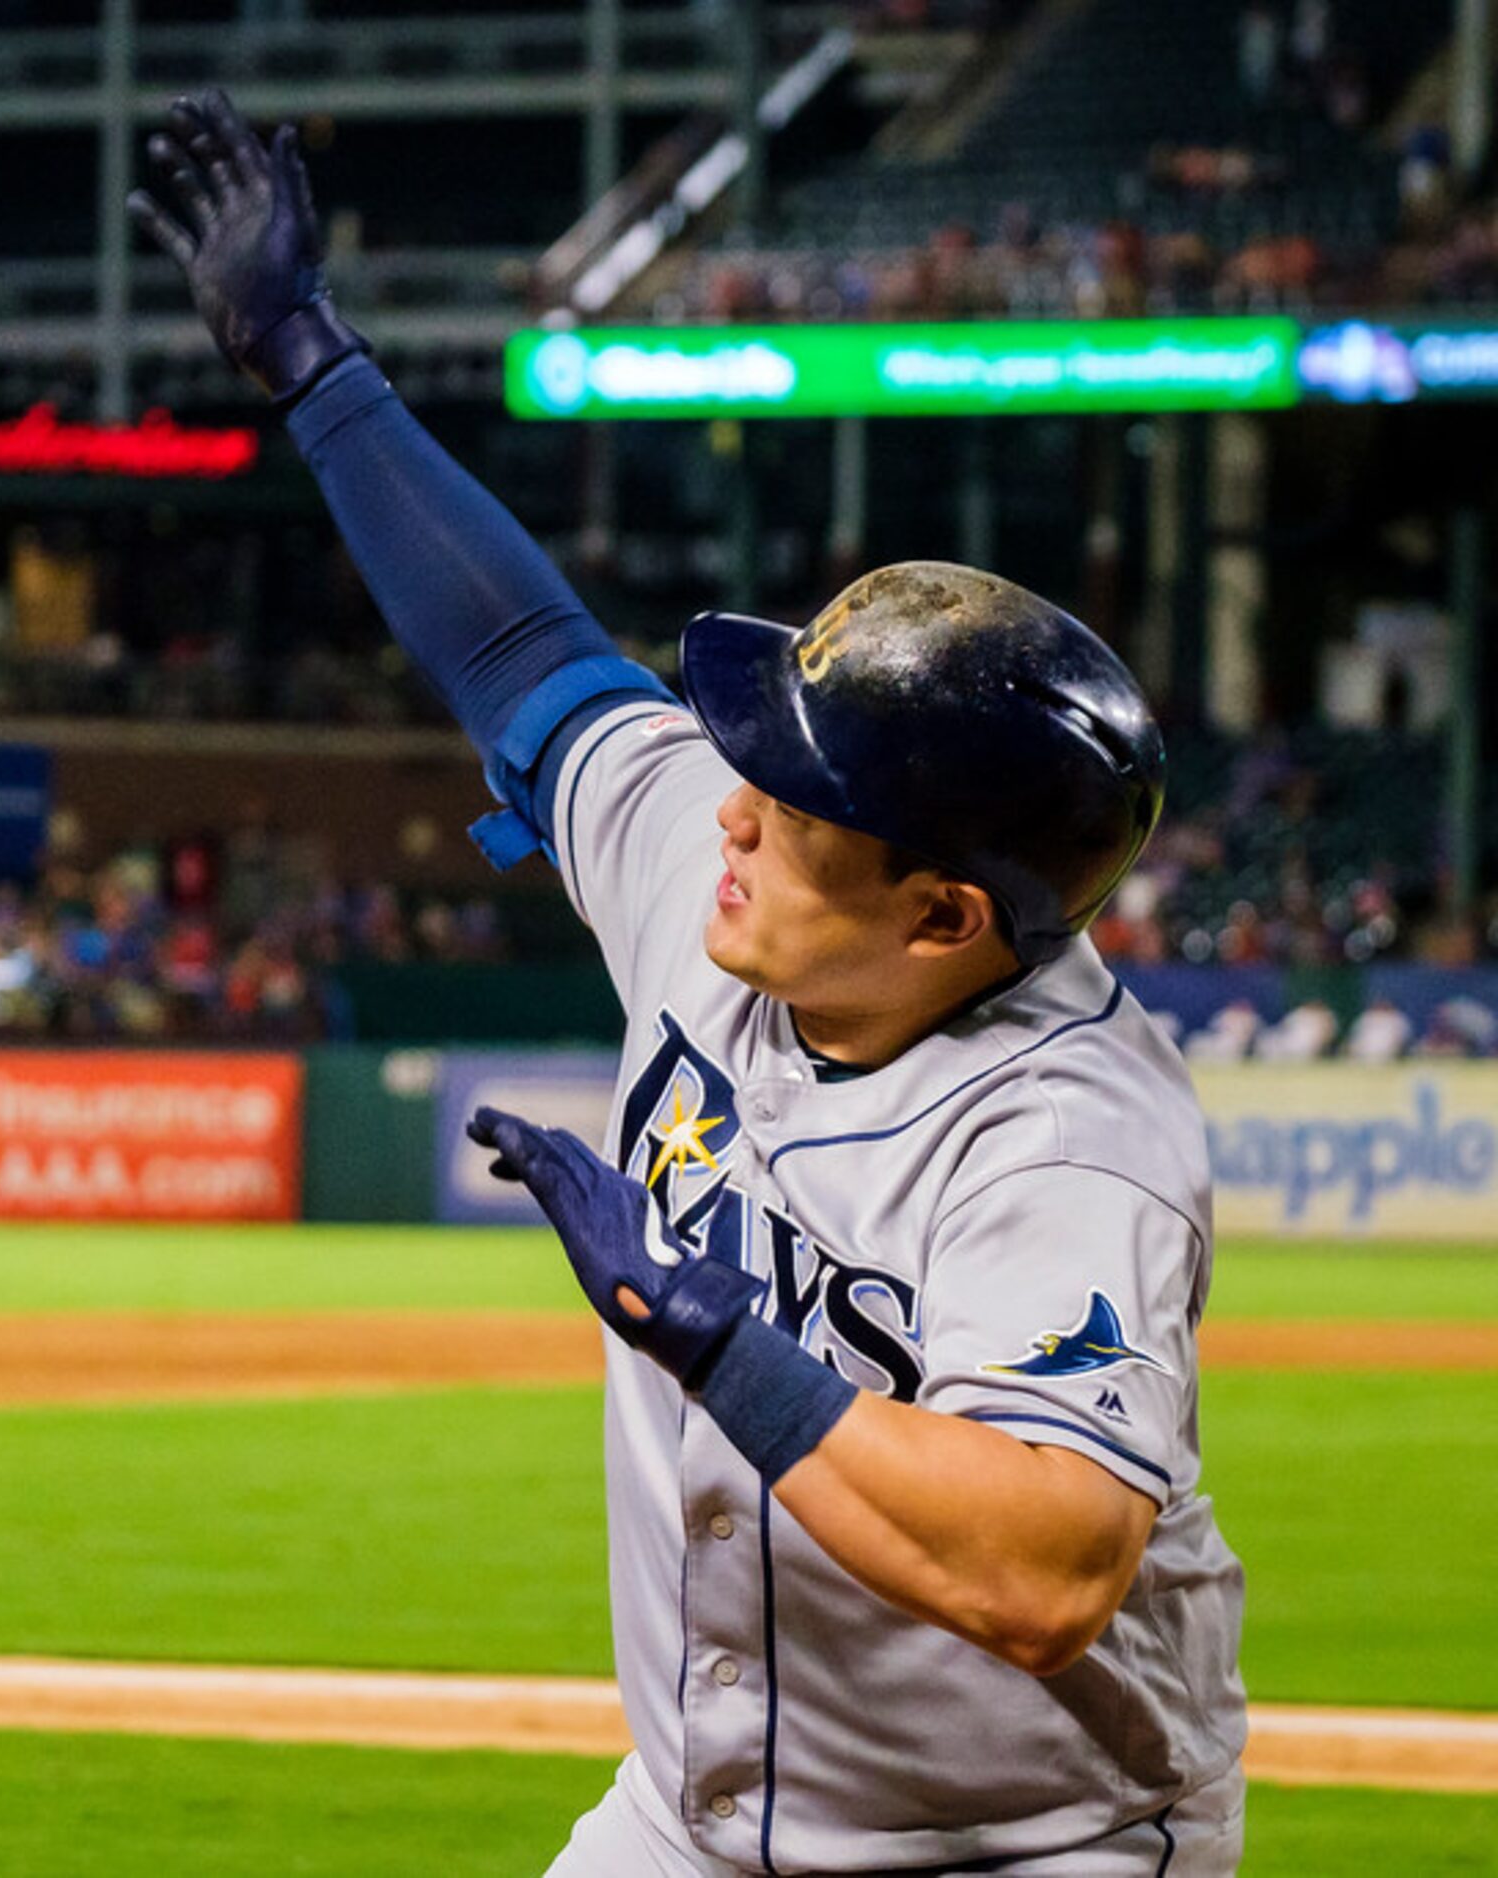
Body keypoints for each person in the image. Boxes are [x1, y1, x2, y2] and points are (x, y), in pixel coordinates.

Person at [131, 91, 1245, 1875]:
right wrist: (309, 360)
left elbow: (1048, 1570)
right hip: (689, 1819)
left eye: (796, 800)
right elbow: (521, 657)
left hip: (1032, 1839)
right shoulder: (724, 886)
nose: (723, 804)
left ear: (946, 916)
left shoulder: (1069, 1142)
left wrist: (721, 1340)